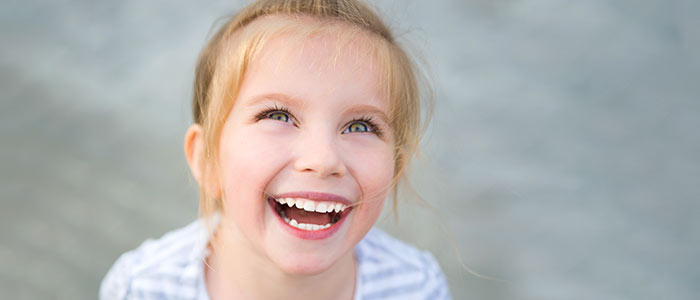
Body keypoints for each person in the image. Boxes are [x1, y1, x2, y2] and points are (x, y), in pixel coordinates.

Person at [100, 0, 451, 299]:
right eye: (278, 115)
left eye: (361, 126)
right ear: (207, 160)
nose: (323, 159)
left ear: (396, 168)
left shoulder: (417, 287)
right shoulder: (142, 287)